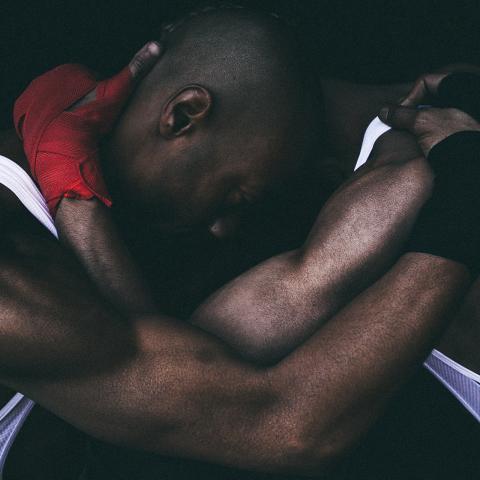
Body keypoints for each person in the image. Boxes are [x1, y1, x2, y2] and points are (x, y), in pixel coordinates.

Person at [0, 6, 479, 479]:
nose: (222, 228)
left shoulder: (59, 192)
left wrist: (73, 186)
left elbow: (293, 287)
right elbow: (283, 426)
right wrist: (464, 192)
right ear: (183, 116)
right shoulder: (17, 288)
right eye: (235, 194)